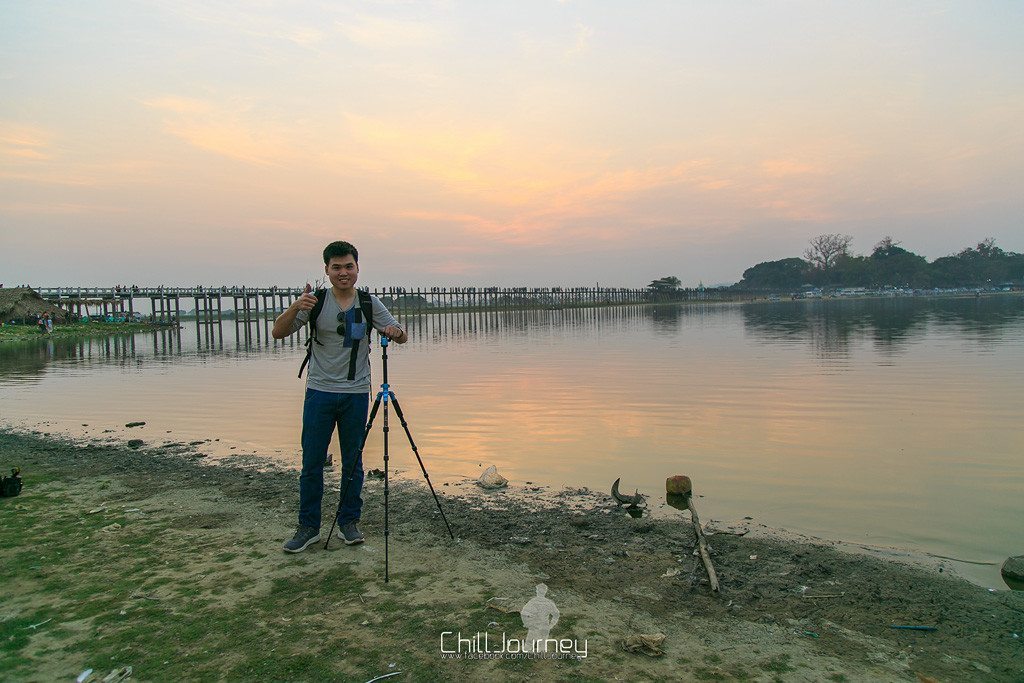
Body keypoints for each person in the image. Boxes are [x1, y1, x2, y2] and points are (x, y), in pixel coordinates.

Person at [273, 241, 407, 553]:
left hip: (356, 394)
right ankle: (308, 527)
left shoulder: (368, 302)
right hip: (319, 392)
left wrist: (394, 333)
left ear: (357, 268)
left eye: (348, 266)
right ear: (327, 271)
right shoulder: (315, 302)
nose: (343, 272)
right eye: (336, 267)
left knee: (353, 462)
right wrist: (296, 306)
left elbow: (401, 334)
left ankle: (349, 522)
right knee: (312, 461)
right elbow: (278, 332)